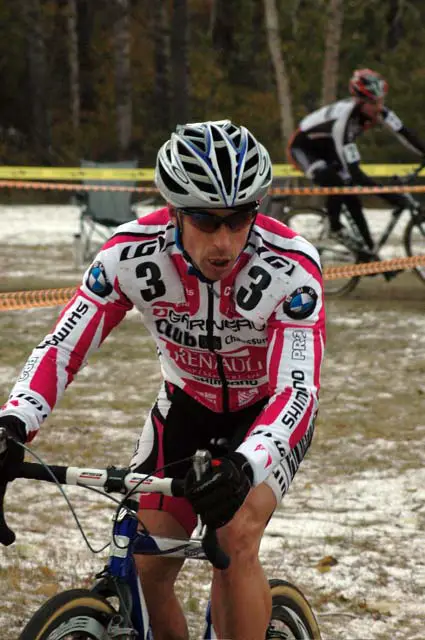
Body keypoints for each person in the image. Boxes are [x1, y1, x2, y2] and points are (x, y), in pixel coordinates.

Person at [0, 119, 325, 640]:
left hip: (264, 417)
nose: (225, 241)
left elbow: (298, 389)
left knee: (233, 539)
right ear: (174, 209)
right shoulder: (129, 255)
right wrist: (14, 421)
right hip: (185, 407)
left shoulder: (290, 267)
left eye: (241, 218)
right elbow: (64, 346)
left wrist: (245, 464)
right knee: (147, 562)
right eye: (205, 219)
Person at [287, 68, 425, 256]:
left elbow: (406, 135)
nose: (379, 107)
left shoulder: (380, 112)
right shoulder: (343, 123)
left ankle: (368, 251)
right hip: (304, 147)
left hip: (328, 147)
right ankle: (335, 226)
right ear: (361, 102)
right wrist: (391, 196)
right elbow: (356, 173)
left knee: (353, 197)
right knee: (337, 182)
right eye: (373, 103)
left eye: (381, 101)